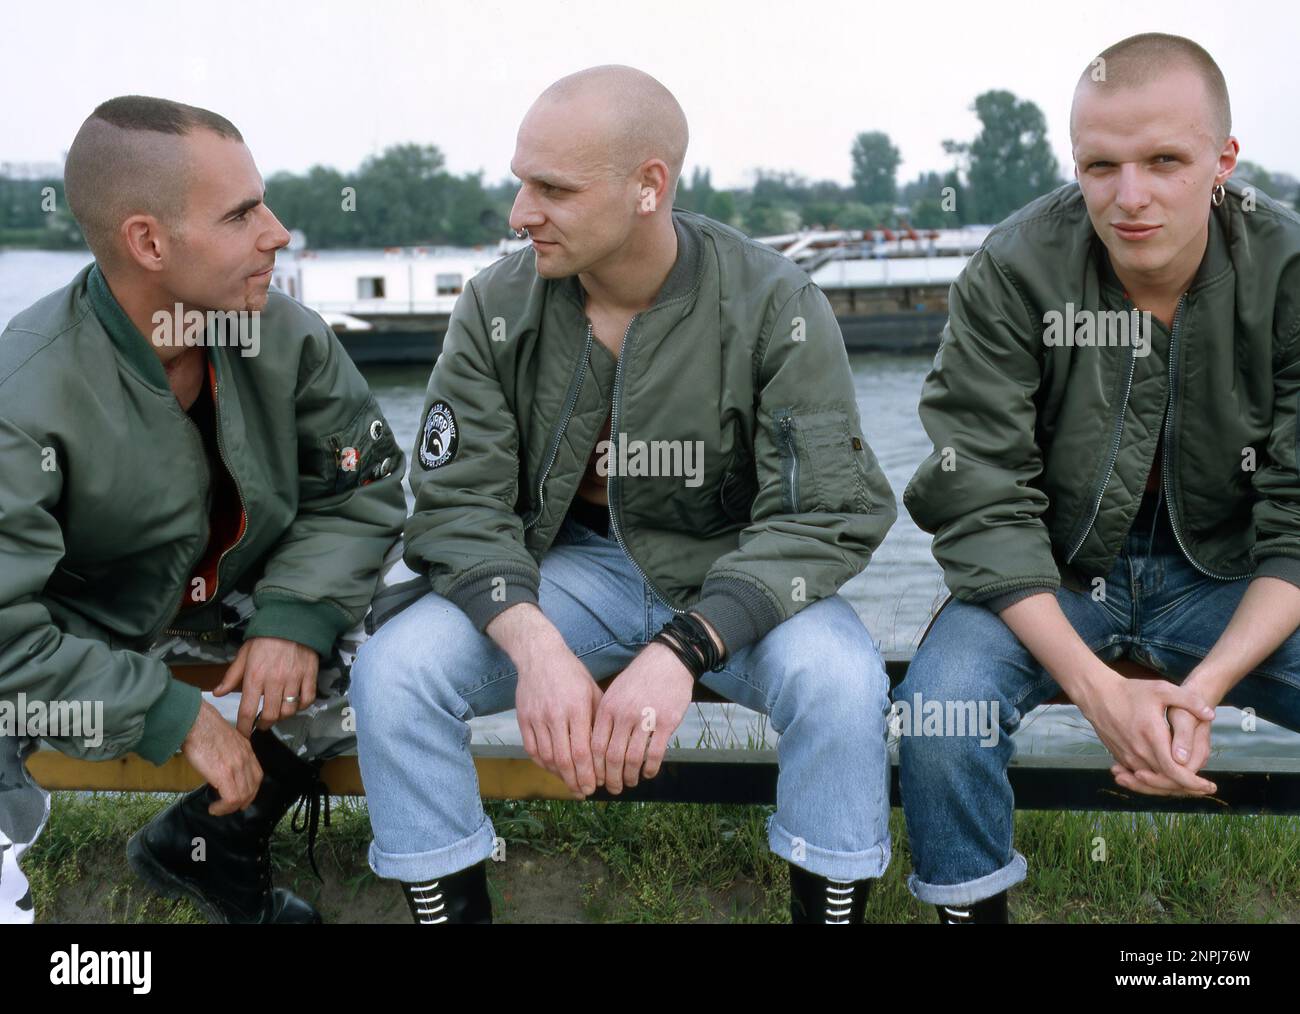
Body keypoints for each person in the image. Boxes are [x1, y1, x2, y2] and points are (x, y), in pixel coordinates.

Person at [350, 65, 898, 924]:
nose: (520, 213)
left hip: (738, 583)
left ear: (650, 187)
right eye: (521, 183)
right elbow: (458, 502)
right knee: (395, 668)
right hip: (566, 575)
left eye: (554, 189)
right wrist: (533, 646)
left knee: (840, 680)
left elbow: (826, 514)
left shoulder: (775, 302)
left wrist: (686, 647)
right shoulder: (497, 302)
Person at [899, 33, 1300, 923]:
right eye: (1100, 165)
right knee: (939, 716)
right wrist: (1098, 690)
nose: (1130, 197)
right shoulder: (1013, 267)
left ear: (1223, 161)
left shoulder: (1288, 271)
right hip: (1052, 574)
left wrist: (1203, 691)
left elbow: (1297, 525)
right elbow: (980, 497)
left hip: (1231, 578)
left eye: (1165, 161)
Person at [0, 96, 409, 924]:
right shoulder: (26, 391)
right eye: (241, 214)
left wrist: (297, 614)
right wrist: (169, 712)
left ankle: (218, 840)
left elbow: (361, 489)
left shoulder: (285, 335)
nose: (278, 230)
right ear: (149, 242)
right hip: (85, 631)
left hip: (241, 606)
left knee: (418, 619)